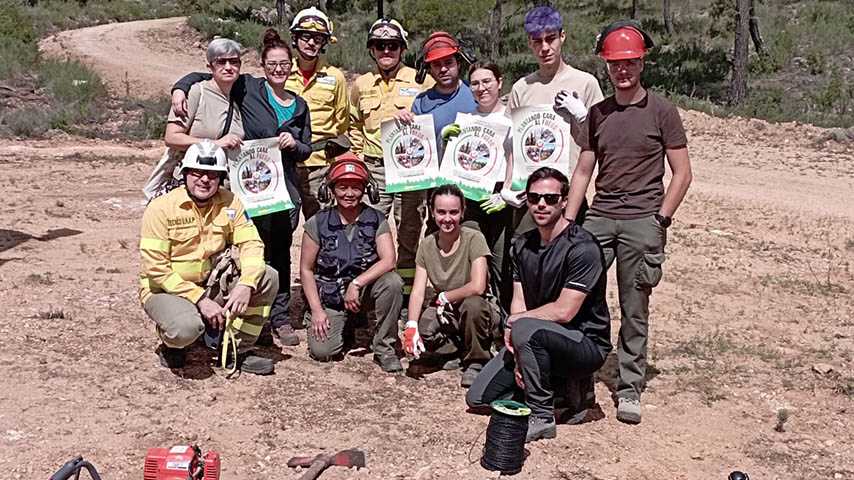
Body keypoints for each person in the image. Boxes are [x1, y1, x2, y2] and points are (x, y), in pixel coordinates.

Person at [567, 21, 693, 425]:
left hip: (643, 219)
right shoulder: (598, 113)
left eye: (630, 62)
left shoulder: (662, 111)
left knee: (634, 306)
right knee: (577, 295)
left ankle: (629, 388)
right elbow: (583, 171)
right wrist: (569, 222)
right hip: (600, 217)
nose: (623, 70)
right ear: (607, 67)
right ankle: (576, 375)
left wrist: (661, 219)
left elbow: (682, 173)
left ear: (642, 63)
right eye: (615, 64)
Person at [171, 29, 312, 347]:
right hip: (250, 188)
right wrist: (179, 88)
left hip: (284, 189)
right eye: (272, 63)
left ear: (291, 66)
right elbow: (208, 74)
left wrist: (294, 144)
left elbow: (307, 148)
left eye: (284, 64)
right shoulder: (248, 87)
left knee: (280, 253)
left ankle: (280, 318)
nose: (278, 69)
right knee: (249, 250)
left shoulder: (300, 105)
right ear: (263, 65)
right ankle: (251, 319)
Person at [466, 167, 611, 443]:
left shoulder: (583, 247)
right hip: (535, 338)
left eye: (550, 198)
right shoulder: (523, 245)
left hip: (584, 343)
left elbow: (564, 311)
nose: (541, 204)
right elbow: (519, 302)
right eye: (534, 198)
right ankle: (558, 389)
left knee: (523, 328)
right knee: (479, 397)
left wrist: (516, 326)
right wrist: (519, 348)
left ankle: (542, 415)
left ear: (565, 201)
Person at [139, 140, 277, 375]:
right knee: (185, 328)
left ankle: (238, 349)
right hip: (166, 289)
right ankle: (172, 342)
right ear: (185, 174)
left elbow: (251, 243)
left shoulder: (231, 202)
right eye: (197, 172)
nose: (205, 179)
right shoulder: (161, 208)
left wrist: (246, 283)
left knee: (267, 277)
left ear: (221, 178)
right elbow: (156, 268)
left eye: (213, 174)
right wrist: (200, 299)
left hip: (210, 283)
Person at [349, 18, 434, 310]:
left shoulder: (421, 80)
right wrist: (359, 159)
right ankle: (369, 292)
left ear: (402, 49)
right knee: (368, 229)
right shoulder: (361, 84)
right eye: (380, 45)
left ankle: (406, 296)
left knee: (409, 230)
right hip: (375, 167)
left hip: (411, 167)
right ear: (372, 49)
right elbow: (354, 124)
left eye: (393, 45)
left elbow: (434, 116)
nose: (387, 50)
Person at [299, 154, 405, 373]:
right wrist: (317, 310)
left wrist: (356, 283)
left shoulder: (376, 219)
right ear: (331, 190)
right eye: (343, 187)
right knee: (323, 352)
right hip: (331, 296)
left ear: (366, 190)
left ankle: (385, 348)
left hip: (362, 292)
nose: (349, 194)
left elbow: (389, 260)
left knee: (393, 282)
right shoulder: (317, 222)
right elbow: (306, 270)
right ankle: (342, 322)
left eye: (356, 188)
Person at [393, 31, 478, 299]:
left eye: (448, 62)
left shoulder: (474, 93)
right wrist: (404, 120)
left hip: (471, 183)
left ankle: (468, 294)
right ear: (428, 68)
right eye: (436, 64)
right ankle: (418, 295)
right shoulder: (421, 102)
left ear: (458, 62)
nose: (443, 69)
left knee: (470, 238)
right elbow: (414, 141)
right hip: (434, 185)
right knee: (432, 236)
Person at [508, 6, 604, 231]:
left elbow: (604, 139)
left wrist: (583, 117)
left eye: (550, 39)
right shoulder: (521, 88)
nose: (544, 48)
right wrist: (508, 185)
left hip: (568, 194)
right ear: (529, 42)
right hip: (529, 196)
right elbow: (512, 143)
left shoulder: (585, 83)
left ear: (562, 36)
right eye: (537, 41)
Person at [403, 184, 496, 387]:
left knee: (473, 305)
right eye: (441, 212)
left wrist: (445, 297)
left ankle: (476, 361)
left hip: (475, 306)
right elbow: (418, 291)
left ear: (463, 212)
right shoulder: (427, 245)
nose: (447, 219)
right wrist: (411, 325)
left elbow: (478, 286)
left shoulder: (474, 238)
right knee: (424, 329)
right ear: (432, 212)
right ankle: (455, 350)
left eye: (453, 212)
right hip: (446, 310)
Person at [462, 60, 520, 312]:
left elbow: (519, 159)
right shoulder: (466, 120)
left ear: (499, 82)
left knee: (502, 261)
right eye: (475, 83)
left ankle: (504, 319)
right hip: (471, 195)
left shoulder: (513, 118)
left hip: (502, 197)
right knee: (473, 259)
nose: (481, 88)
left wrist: (506, 192)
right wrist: (448, 143)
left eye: (487, 81)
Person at [287, 7, 349, 220]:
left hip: (320, 165)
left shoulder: (335, 77)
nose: (311, 42)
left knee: (321, 224)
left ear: (324, 43)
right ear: (294, 38)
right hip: (286, 163)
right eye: (306, 36)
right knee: (282, 225)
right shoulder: (280, 72)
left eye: (318, 38)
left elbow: (342, 121)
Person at [164, 38, 245, 155]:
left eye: (233, 61)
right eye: (221, 62)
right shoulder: (195, 93)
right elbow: (172, 138)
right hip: (193, 166)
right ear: (210, 67)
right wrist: (215, 144)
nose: (228, 67)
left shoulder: (240, 96)